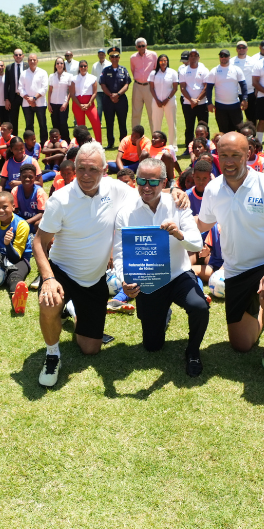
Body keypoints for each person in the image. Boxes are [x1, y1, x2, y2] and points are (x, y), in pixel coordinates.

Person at [196, 131, 264, 389]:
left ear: (249, 155)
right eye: (223, 155)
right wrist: (174, 203)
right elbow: (201, 224)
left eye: (236, 155)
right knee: (241, 345)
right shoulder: (213, 188)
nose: (229, 161)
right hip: (236, 271)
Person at [32, 142, 140, 386]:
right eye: (81, 168)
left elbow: (146, 196)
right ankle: (52, 355)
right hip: (62, 272)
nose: (86, 175)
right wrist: (48, 279)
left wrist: (175, 193)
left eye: (93, 169)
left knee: (90, 349)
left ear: (105, 170)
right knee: (50, 302)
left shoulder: (116, 188)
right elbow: (39, 242)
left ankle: (73, 309)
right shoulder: (60, 199)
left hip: (94, 279)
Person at [113, 157, 207, 376]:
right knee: (152, 346)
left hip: (178, 274)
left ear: (164, 183)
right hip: (149, 280)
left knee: (199, 306)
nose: (147, 187)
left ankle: (193, 351)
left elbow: (197, 243)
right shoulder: (126, 213)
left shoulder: (178, 204)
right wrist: (123, 280)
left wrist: (178, 233)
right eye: (142, 181)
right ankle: (162, 315)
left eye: (153, 182)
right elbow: (119, 255)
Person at [207, 49, 250, 135]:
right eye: (221, 56)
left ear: (229, 57)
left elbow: (243, 85)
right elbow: (209, 88)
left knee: (239, 130)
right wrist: (209, 103)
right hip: (220, 107)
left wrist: (245, 98)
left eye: (225, 56)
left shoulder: (236, 69)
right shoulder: (214, 71)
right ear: (219, 57)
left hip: (235, 105)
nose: (223, 58)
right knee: (223, 131)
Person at [99, 46, 131, 148]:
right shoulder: (105, 70)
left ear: (119, 57)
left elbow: (126, 84)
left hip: (121, 100)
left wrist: (117, 95)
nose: (114, 58)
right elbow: (102, 84)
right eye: (112, 56)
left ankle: (123, 143)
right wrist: (110, 95)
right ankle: (110, 143)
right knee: (109, 122)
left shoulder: (123, 70)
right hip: (108, 100)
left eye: (116, 56)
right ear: (109, 58)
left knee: (122, 122)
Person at [177, 49, 210, 146]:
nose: (193, 57)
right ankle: (189, 147)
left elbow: (206, 87)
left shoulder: (204, 70)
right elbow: (182, 88)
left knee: (204, 126)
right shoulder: (183, 71)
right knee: (189, 126)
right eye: (191, 55)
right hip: (188, 103)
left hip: (202, 103)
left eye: (195, 55)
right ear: (189, 58)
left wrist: (198, 99)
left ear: (199, 58)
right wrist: (191, 100)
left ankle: (205, 146)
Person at [147, 53, 179, 147]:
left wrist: (167, 99)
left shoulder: (172, 72)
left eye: (165, 61)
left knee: (171, 123)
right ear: (158, 62)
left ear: (167, 62)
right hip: (156, 102)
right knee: (156, 123)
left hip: (170, 101)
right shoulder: (153, 73)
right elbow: (151, 88)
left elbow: (175, 88)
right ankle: (156, 144)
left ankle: (173, 145)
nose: (163, 62)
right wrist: (157, 100)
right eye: (161, 61)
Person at [128, 38, 158, 132]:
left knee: (152, 113)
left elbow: (156, 69)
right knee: (136, 112)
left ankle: (155, 135)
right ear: (136, 47)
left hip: (150, 86)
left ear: (146, 45)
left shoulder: (153, 55)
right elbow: (133, 70)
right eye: (139, 46)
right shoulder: (133, 57)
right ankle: (135, 136)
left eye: (143, 46)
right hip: (137, 86)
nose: (142, 48)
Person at [70, 59, 102, 145]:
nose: (83, 68)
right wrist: (80, 105)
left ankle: (99, 144)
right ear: (79, 68)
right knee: (81, 127)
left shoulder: (92, 78)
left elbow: (95, 92)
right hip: (77, 104)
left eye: (85, 66)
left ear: (87, 67)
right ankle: (82, 145)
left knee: (96, 123)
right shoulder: (74, 79)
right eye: (81, 66)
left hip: (90, 104)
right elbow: (72, 94)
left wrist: (89, 104)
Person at [18, 53, 49, 140]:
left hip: (40, 103)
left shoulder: (43, 72)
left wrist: (34, 98)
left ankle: (44, 144)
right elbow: (20, 88)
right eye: (30, 60)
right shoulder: (23, 74)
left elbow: (44, 88)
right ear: (28, 61)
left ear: (37, 61)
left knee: (42, 124)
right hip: (27, 104)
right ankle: (29, 144)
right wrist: (29, 100)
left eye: (34, 60)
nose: (32, 61)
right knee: (29, 125)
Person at [47, 57, 72, 141]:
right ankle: (56, 142)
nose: (59, 65)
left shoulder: (68, 76)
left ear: (64, 65)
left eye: (61, 63)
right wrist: (49, 104)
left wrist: (66, 103)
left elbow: (70, 91)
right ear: (55, 65)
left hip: (63, 103)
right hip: (53, 103)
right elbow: (50, 91)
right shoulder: (51, 76)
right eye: (57, 63)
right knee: (55, 124)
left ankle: (66, 142)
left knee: (63, 124)